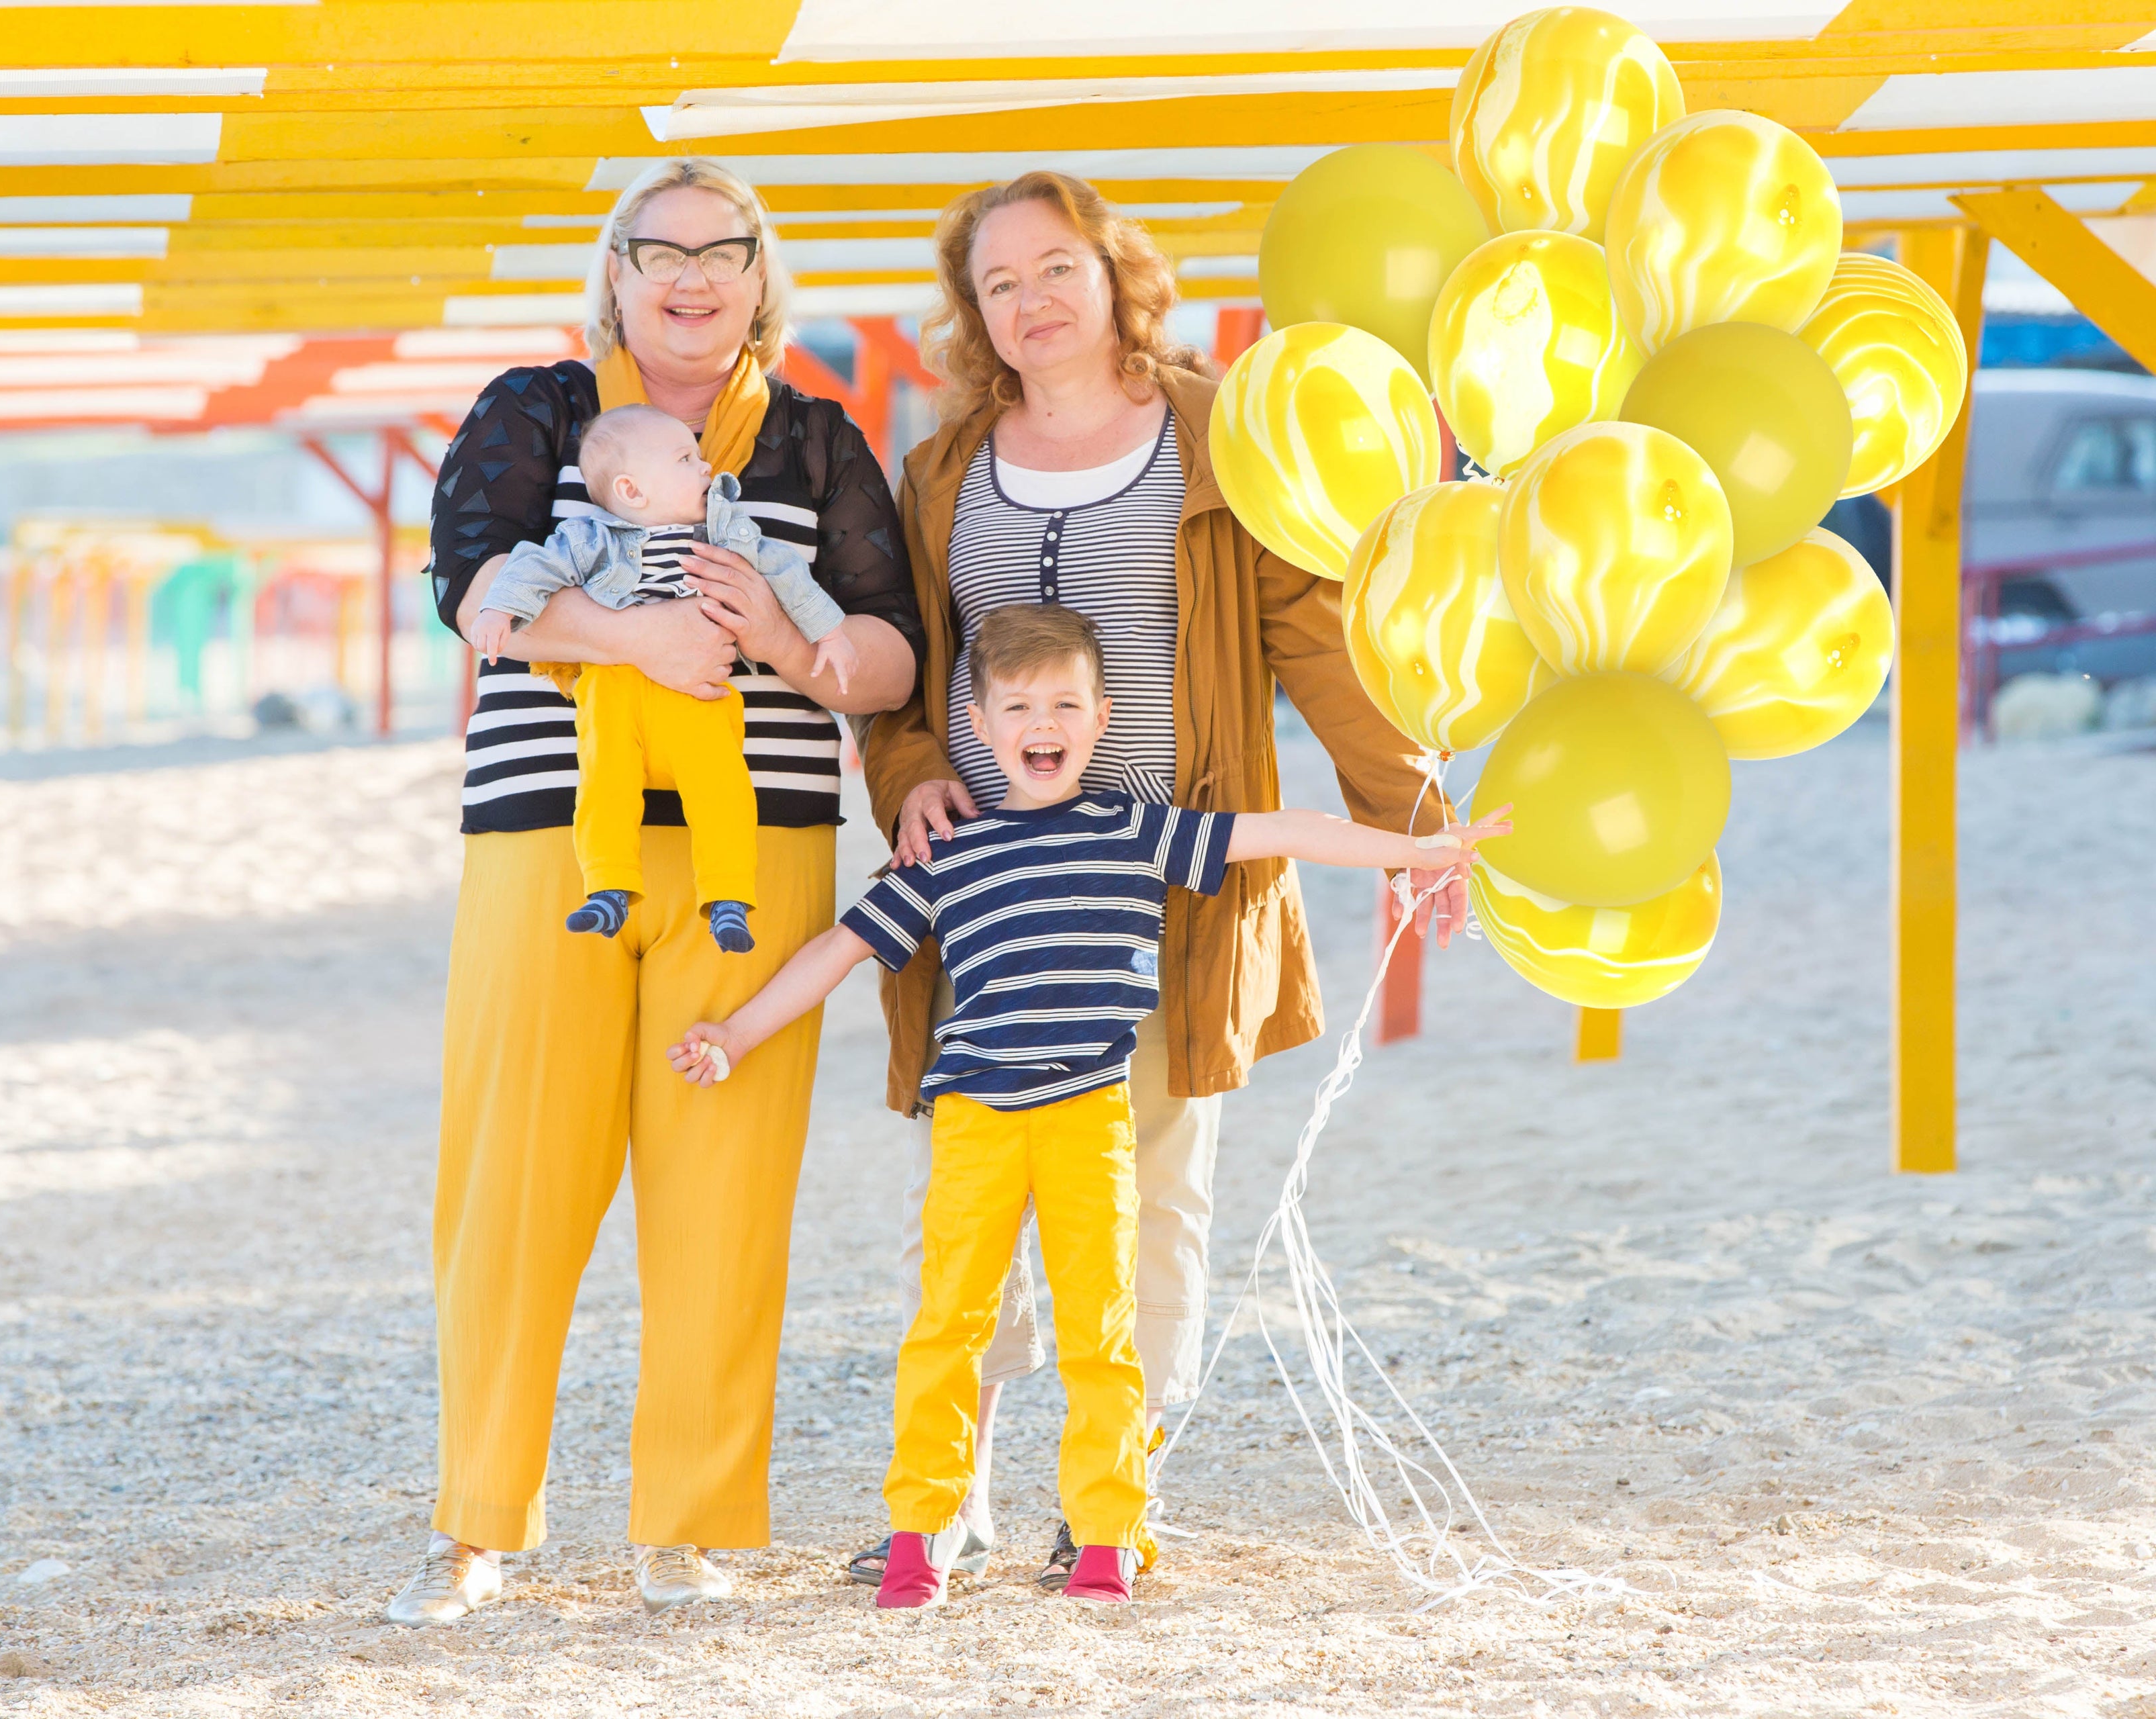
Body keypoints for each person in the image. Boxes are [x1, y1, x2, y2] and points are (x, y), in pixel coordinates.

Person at [853, 171, 1466, 1589]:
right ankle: (954, 1494)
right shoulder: (941, 468)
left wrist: (1409, 810)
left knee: (1153, 1178)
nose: (1031, 299)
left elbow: (1311, 634)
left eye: (1055, 266)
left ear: (1114, 271)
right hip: (989, 890)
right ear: (977, 314)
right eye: (1000, 282)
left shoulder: (1216, 435)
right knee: (976, 1180)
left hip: (1173, 874)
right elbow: (897, 675)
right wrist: (905, 784)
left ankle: (1116, 1491)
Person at [671, 605, 1505, 1608]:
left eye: (1066, 703)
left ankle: (1109, 1534)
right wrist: (737, 1033)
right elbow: (837, 952)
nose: (1044, 721)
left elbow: (1280, 830)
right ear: (979, 726)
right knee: (947, 1327)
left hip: (1089, 1119)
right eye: (1019, 705)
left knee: (1099, 1330)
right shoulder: (948, 856)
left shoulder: (1133, 829)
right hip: (975, 1122)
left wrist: (1413, 850)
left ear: (1102, 718)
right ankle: (919, 1533)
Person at [387, 157, 923, 1626]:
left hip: (764, 851)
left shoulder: (816, 441)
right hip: (552, 833)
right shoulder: (539, 409)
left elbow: (891, 651)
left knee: (727, 1185)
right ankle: (477, 1523)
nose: (691, 276)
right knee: (514, 1175)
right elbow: (470, 580)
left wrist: (789, 646)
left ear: (763, 276)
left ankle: (686, 1526)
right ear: (614, 272)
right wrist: (637, 645)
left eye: (723, 250)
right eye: (659, 249)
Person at [469, 404, 863, 950]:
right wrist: (498, 609)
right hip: (614, 692)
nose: (705, 469)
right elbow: (534, 566)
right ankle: (607, 888)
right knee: (604, 785)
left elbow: (786, 572)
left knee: (723, 788)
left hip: (698, 696)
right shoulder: (588, 538)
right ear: (632, 491)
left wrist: (830, 632)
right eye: (686, 459)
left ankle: (728, 897)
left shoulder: (727, 532)